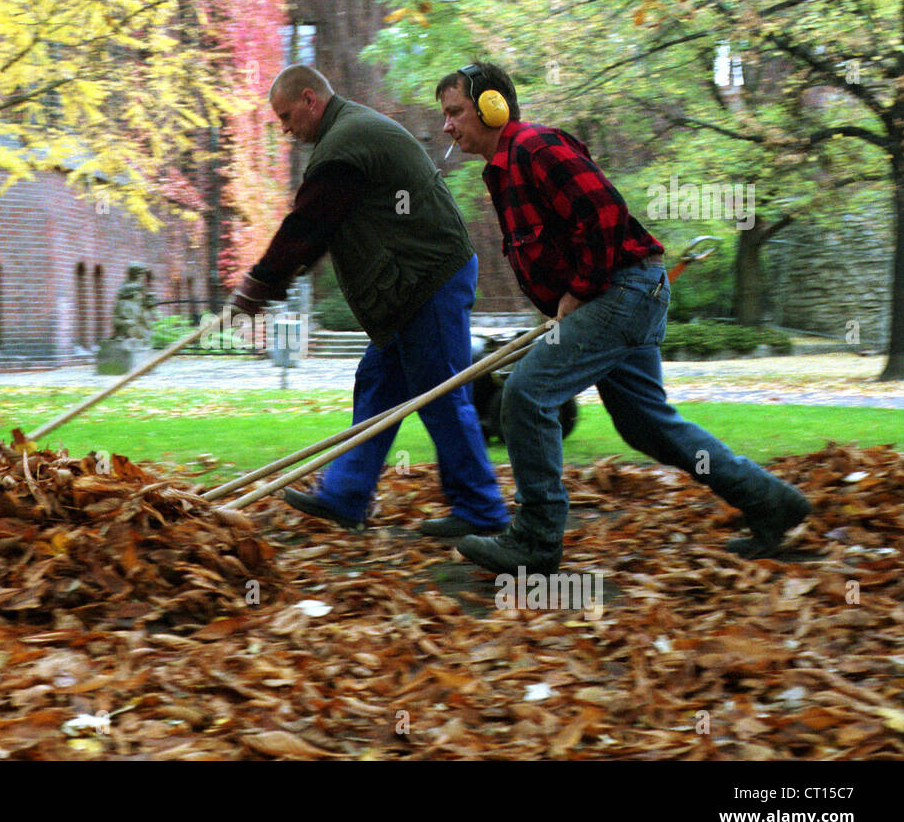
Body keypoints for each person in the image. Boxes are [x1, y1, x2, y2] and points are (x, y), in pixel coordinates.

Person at [436, 61, 812, 575]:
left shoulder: (535, 148)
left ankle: (536, 540)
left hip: (620, 292)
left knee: (525, 394)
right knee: (646, 426)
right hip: (620, 295)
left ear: (492, 106)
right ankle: (771, 502)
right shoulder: (504, 169)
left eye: (455, 112)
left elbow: (604, 214)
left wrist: (579, 293)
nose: (447, 126)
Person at [230, 64, 510, 536]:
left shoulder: (344, 144)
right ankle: (345, 495)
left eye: (285, 116)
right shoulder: (348, 134)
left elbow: (307, 226)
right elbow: (321, 230)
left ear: (309, 99)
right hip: (411, 287)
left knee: (440, 395)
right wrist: (268, 286)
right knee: (378, 387)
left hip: (429, 280)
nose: (284, 128)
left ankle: (482, 513)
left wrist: (258, 283)